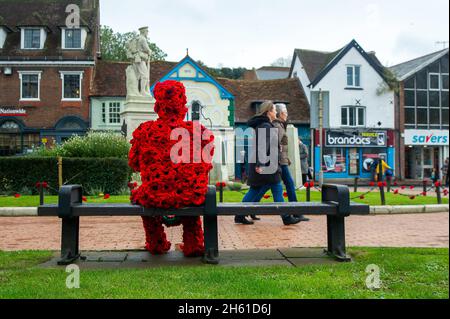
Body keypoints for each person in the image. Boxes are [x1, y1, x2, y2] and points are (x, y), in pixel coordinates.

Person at [235, 101, 302, 226]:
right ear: (268, 112)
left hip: (263, 165)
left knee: (254, 190)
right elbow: (262, 147)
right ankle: (286, 217)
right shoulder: (266, 126)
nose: (276, 112)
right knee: (277, 188)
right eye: (274, 110)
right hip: (267, 166)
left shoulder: (263, 125)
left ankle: (239, 215)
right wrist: (260, 164)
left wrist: (277, 148)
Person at [272, 104, 309, 222]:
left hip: (281, 161)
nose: (287, 114)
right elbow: (278, 145)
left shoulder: (280, 125)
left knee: (262, 188)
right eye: (285, 112)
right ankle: (294, 212)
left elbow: (281, 146)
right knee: (288, 184)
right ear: (280, 113)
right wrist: (282, 159)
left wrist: (286, 158)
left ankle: (295, 212)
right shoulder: (277, 126)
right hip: (279, 163)